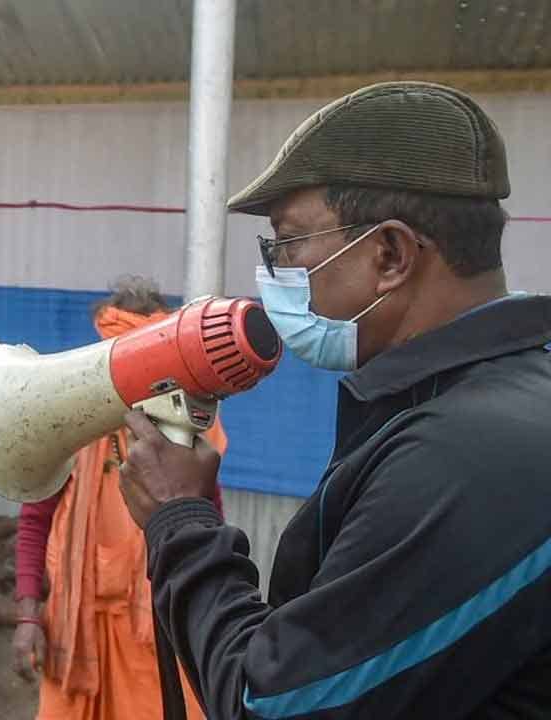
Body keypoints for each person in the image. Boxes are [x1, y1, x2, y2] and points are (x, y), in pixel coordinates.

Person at [120, 81, 551, 718]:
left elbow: (270, 705)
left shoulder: (466, 458)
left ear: (390, 255)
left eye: (288, 243)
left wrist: (179, 521)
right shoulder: (489, 399)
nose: (275, 273)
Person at [12, 278, 227, 720]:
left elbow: (208, 530)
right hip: (73, 630)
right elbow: (35, 522)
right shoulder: (69, 425)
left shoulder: (185, 432)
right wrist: (29, 616)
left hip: (159, 630)